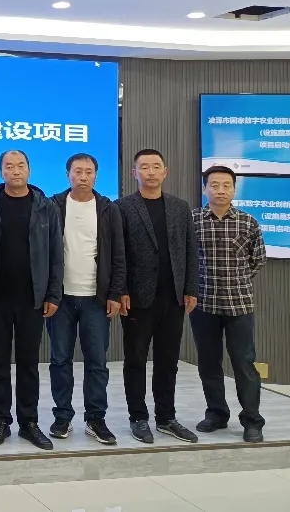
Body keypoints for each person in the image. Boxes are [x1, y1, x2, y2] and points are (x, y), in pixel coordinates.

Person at [116, 149, 199, 444]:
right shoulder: (122, 207)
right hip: (137, 298)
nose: (150, 172)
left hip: (173, 297)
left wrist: (191, 288)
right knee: (136, 360)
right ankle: (138, 417)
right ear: (134, 173)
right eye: (144, 167)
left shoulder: (180, 207)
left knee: (168, 361)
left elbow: (190, 250)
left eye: (156, 167)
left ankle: (166, 417)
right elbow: (118, 253)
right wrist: (121, 290)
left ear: (165, 172)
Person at [0, 150, 62, 451]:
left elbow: (56, 253)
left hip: (33, 297)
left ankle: (29, 422)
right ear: (0, 171)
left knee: (29, 363)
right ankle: (0, 420)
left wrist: (53, 293)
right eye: (9, 166)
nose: (15, 171)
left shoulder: (45, 206)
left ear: (29, 170)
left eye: (20, 166)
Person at [47, 153, 126, 445]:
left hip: (96, 299)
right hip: (61, 299)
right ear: (67, 174)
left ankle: (96, 418)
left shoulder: (108, 209)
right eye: (77, 171)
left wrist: (115, 293)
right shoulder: (54, 205)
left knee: (97, 362)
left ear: (96, 175)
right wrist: (49, 293)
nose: (83, 176)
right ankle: (62, 416)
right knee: (60, 360)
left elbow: (119, 254)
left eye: (88, 171)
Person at [191, 165, 267, 443]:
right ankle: (216, 414)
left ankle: (252, 420)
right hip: (204, 305)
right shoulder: (193, 220)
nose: (220, 190)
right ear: (205, 189)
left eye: (226, 185)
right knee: (208, 363)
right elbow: (186, 260)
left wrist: (238, 282)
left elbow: (257, 260)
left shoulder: (248, 222)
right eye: (214, 185)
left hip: (239, 305)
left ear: (234, 189)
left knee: (244, 364)